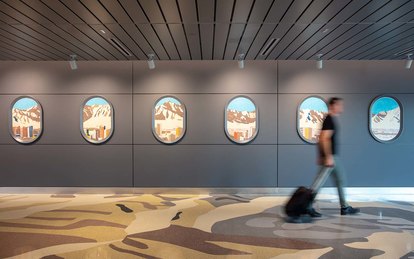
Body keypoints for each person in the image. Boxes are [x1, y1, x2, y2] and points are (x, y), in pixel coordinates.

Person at [307, 97, 360, 217]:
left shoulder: (330, 119)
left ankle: (345, 207)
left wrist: (321, 155)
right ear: (333, 105)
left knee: (341, 180)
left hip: (332, 156)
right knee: (318, 183)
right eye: (340, 105)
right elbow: (324, 138)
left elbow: (320, 138)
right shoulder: (329, 119)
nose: (342, 107)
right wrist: (327, 156)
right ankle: (306, 206)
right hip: (331, 157)